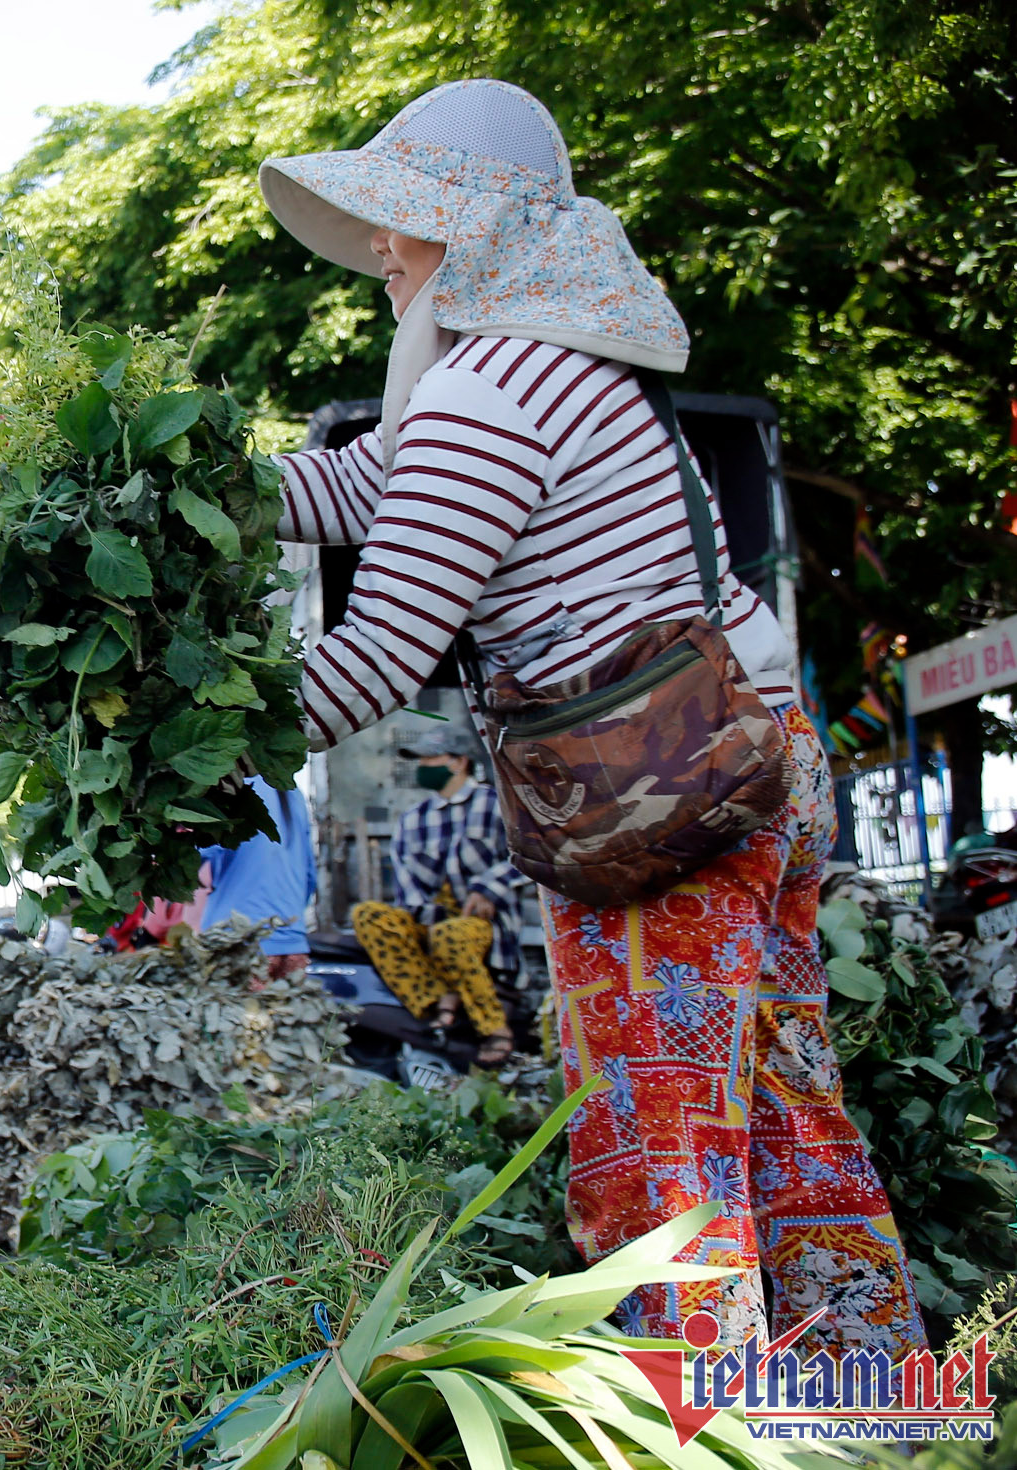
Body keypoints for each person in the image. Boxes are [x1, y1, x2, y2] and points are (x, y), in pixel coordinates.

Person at [256, 83, 924, 1351]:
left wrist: (201, 752)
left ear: (477, 232)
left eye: (406, 221)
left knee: (652, 1138)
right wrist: (176, 482)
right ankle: (862, 1399)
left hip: (652, 799)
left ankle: (688, 1415)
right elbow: (358, 484)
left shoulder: (486, 387)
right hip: (751, 758)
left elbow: (382, 655)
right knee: (780, 1097)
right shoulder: (553, 366)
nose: (382, 253)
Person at [349, 726, 520, 1065]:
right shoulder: (412, 819)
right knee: (368, 914)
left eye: (431, 759)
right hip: (431, 918)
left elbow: (524, 858)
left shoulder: (495, 804)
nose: (424, 766)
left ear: (459, 762)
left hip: (482, 921)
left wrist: (487, 887)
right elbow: (406, 882)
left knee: (450, 935)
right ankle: (438, 997)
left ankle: (494, 1028)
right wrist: (420, 914)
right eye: (421, 760)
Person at [199, 776, 317, 988]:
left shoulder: (229, 785)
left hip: (239, 941)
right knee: (285, 1017)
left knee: (237, 1019)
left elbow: (202, 850)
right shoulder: (292, 792)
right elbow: (310, 875)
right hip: (292, 940)